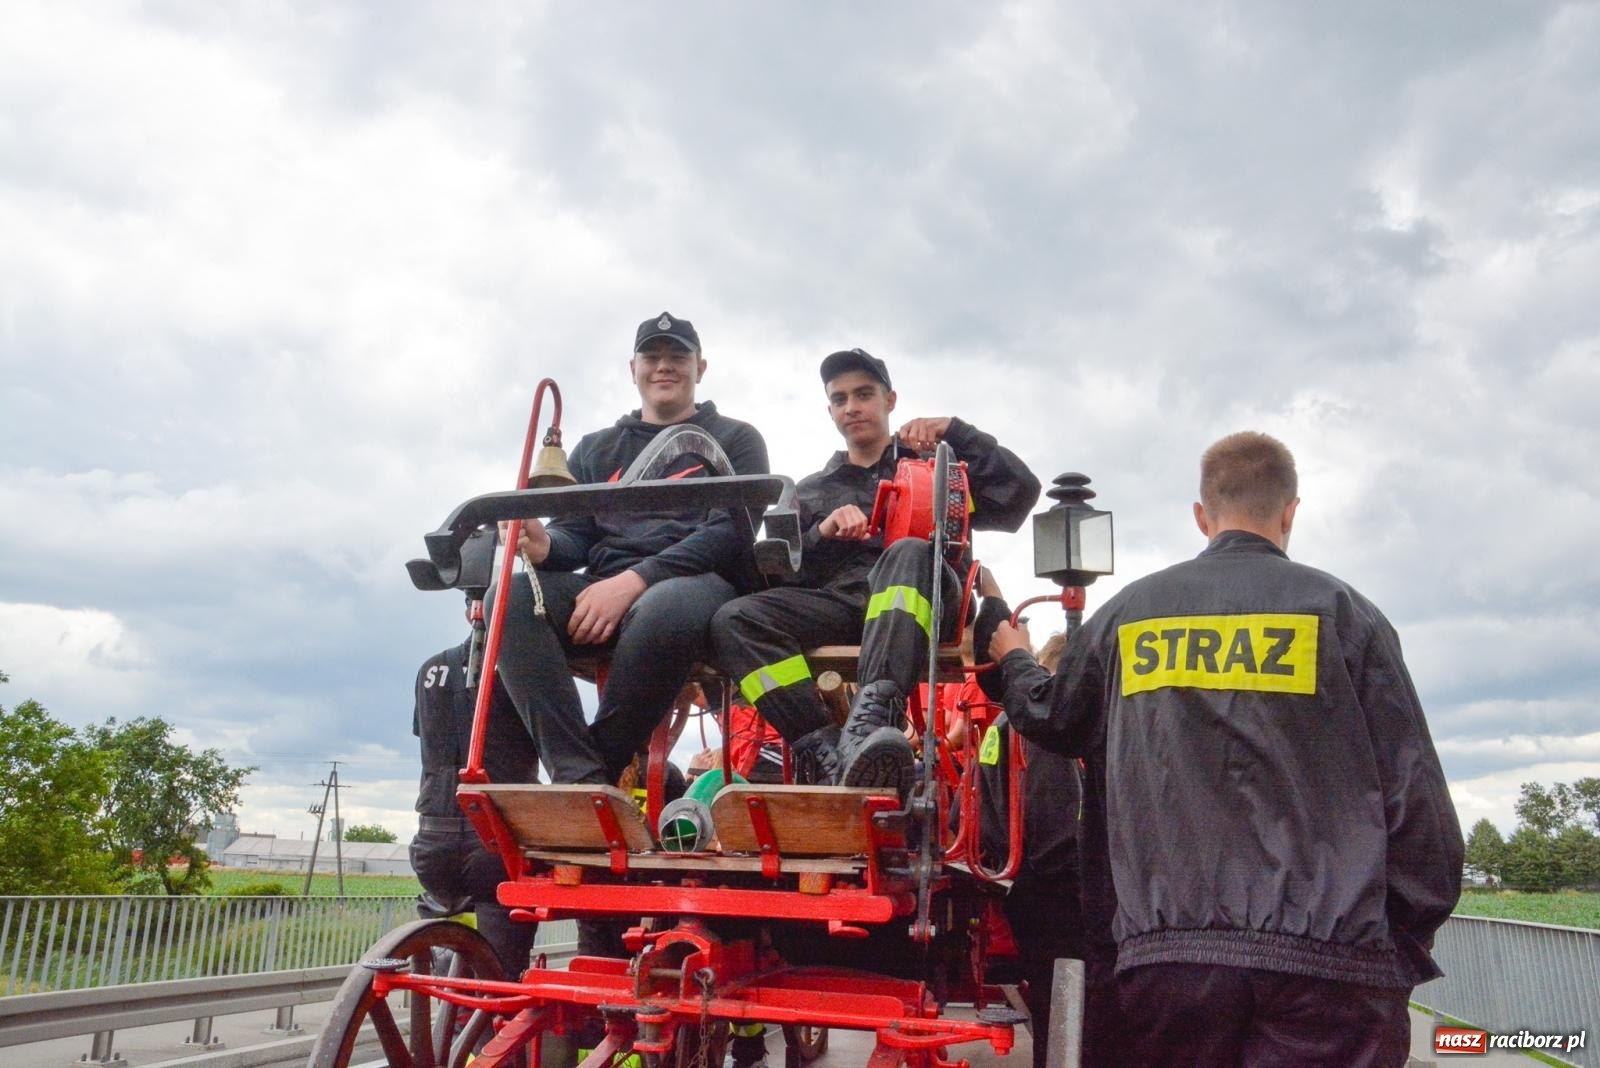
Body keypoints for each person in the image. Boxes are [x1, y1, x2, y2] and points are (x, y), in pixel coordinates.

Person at [989, 431, 1464, 1068]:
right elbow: (1420, 809)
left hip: (1168, 962)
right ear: (1291, 510)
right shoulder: (1346, 615)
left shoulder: (1132, 616)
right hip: (1331, 961)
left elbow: (1055, 719)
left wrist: (1016, 659)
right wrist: (1388, 945)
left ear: (1201, 516)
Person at [709, 348, 1039, 789]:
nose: (852, 407)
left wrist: (956, 431)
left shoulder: (937, 469)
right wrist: (822, 534)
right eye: (840, 398)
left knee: (906, 550)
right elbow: (780, 574)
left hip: (925, 605)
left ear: (891, 400)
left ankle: (872, 720)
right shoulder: (810, 491)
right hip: (844, 608)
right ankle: (826, 747)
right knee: (734, 619)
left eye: (864, 394)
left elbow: (1019, 494)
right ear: (830, 411)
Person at [489, 312, 768, 786]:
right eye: (652, 357)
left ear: (700, 369)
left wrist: (634, 582)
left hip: (698, 588)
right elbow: (577, 535)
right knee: (508, 598)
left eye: (678, 357)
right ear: (632, 368)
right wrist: (545, 545)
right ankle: (577, 774)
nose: (664, 367)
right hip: (604, 591)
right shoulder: (596, 449)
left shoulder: (738, 440)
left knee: (666, 606)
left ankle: (603, 764)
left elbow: (729, 534)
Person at [409, 637, 541, 978]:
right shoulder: (523, 669)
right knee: (498, 974)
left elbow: (427, 737)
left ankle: (451, 1007)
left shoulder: (430, 668)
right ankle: (486, 1018)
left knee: (448, 945)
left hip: (433, 837)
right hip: (496, 840)